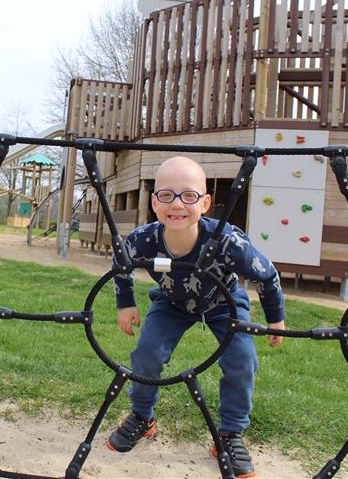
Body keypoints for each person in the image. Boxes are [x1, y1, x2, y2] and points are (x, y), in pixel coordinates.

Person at [106, 156, 285, 478]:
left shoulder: (228, 240)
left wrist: (276, 319)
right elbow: (121, 264)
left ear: (205, 203)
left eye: (188, 196)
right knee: (146, 353)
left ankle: (230, 433)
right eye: (166, 195)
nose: (177, 204)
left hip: (223, 302)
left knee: (242, 359)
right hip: (171, 302)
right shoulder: (143, 239)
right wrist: (125, 303)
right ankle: (142, 417)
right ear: (154, 201)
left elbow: (267, 275)